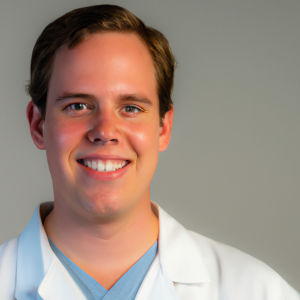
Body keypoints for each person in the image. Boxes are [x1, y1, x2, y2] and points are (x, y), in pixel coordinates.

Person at [0, 4, 298, 300]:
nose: (105, 131)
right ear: (38, 125)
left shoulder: (256, 291)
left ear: (163, 128)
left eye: (130, 108)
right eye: (78, 106)